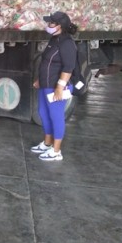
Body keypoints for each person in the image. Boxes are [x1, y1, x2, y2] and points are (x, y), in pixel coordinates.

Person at [31, 11, 78, 162]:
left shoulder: (67, 43)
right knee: (43, 113)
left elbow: (68, 67)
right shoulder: (54, 39)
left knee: (56, 116)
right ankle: (47, 143)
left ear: (60, 26)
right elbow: (47, 62)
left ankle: (56, 151)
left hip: (56, 87)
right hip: (46, 84)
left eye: (51, 23)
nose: (48, 25)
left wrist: (59, 87)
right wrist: (39, 79)